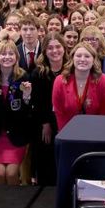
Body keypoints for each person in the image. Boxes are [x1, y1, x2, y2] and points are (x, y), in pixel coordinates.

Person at [0, 41, 35, 186]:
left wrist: (26, 97)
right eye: (3, 54)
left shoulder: (23, 77)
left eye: (11, 53)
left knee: (11, 174)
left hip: (17, 133)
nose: (7, 57)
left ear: (16, 57)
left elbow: (27, 112)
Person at [29, 33, 66, 185]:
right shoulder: (38, 73)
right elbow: (37, 102)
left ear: (64, 48)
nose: (54, 51)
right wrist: (45, 124)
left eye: (58, 47)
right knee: (46, 161)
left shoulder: (70, 70)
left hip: (66, 121)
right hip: (45, 123)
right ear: (44, 51)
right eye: (50, 48)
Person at [52, 42, 105, 131]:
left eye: (87, 56)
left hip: (95, 132)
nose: (82, 59)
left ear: (93, 60)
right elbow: (59, 112)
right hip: (67, 132)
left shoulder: (103, 80)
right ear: (72, 58)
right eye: (78, 56)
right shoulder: (60, 81)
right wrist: (66, 134)